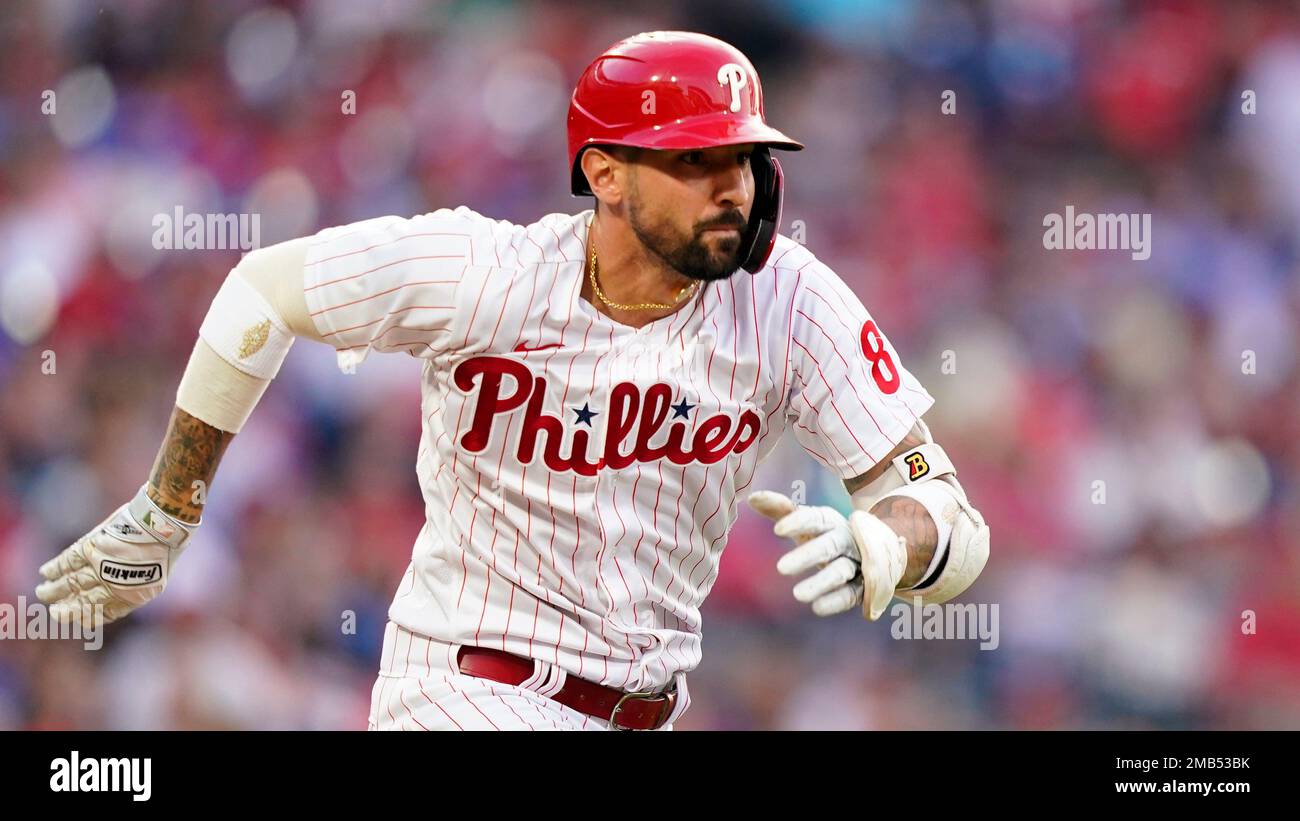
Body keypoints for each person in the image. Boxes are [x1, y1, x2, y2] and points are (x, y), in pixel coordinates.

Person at [35, 30, 989, 731]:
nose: (734, 185)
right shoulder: (487, 274)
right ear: (606, 174)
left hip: (649, 712)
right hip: (466, 688)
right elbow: (264, 287)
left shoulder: (789, 302)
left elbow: (948, 513)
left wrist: (892, 540)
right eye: (697, 159)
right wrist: (171, 504)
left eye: (744, 156)